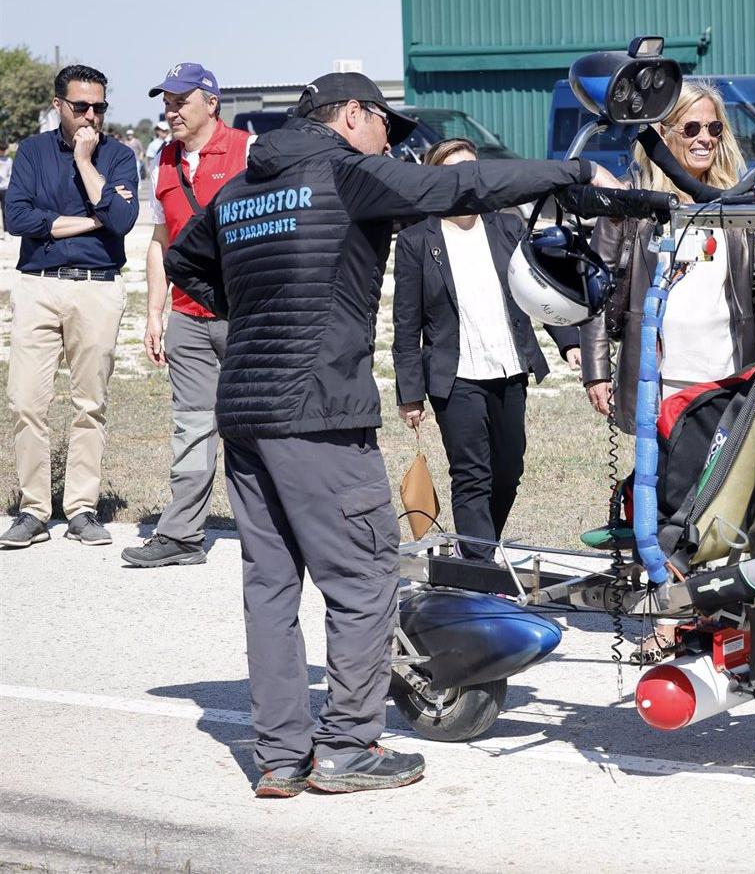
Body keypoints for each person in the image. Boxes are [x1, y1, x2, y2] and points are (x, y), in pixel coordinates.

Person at [162, 71, 622, 798]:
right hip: (318, 412)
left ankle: (280, 756)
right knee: (364, 579)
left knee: (271, 588)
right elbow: (461, 189)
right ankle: (348, 745)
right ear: (352, 116)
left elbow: (184, 258)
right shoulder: (347, 175)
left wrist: (258, 307)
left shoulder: (241, 190)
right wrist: (574, 170)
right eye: (386, 129)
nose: (393, 146)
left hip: (245, 410)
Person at [392, 138, 581, 561]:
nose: (468, 181)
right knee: (471, 474)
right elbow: (406, 324)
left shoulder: (507, 226)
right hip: (455, 375)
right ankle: (480, 570)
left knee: (509, 469)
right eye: (456, 171)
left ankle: (476, 549)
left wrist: (569, 343)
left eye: (475, 171)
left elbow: (537, 292)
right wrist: (409, 393)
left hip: (509, 365)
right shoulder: (416, 241)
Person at [580, 80, 755, 429]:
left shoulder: (738, 204)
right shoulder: (630, 201)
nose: (705, 138)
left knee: (722, 480)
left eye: (713, 127)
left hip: (730, 372)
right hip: (659, 377)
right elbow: (595, 287)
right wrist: (596, 371)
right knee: (662, 478)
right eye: (691, 128)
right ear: (663, 134)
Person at [1, 65, 138, 550]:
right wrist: (90, 220)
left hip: (96, 287)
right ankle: (33, 510)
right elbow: (16, 217)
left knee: (90, 404)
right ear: (58, 105)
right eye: (81, 106)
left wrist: (85, 162)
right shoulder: (32, 152)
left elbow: (121, 219)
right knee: (25, 402)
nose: (91, 116)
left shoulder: (118, 156)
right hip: (37, 285)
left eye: (99, 107)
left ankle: (81, 508)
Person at [121, 63, 251, 568]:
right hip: (188, 318)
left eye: (181, 102)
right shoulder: (164, 162)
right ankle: (181, 537)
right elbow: (160, 243)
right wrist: (154, 315)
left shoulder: (247, 151)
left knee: (257, 427)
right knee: (193, 426)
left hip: (246, 316)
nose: (170, 111)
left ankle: (274, 529)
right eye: (166, 103)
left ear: (211, 102)